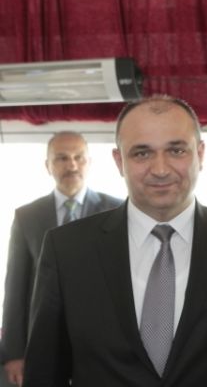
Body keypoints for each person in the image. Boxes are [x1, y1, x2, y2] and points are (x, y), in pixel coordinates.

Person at [22, 95, 207, 387]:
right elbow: (44, 371)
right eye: (142, 153)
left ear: (200, 154)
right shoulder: (67, 250)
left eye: (176, 150)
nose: (160, 169)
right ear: (119, 161)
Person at [1, 131, 122, 386]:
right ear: (48, 165)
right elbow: (15, 289)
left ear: (89, 162)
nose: (72, 165)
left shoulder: (117, 210)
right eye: (62, 158)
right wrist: (13, 353)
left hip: (104, 344)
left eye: (79, 157)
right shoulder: (27, 216)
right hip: (44, 340)